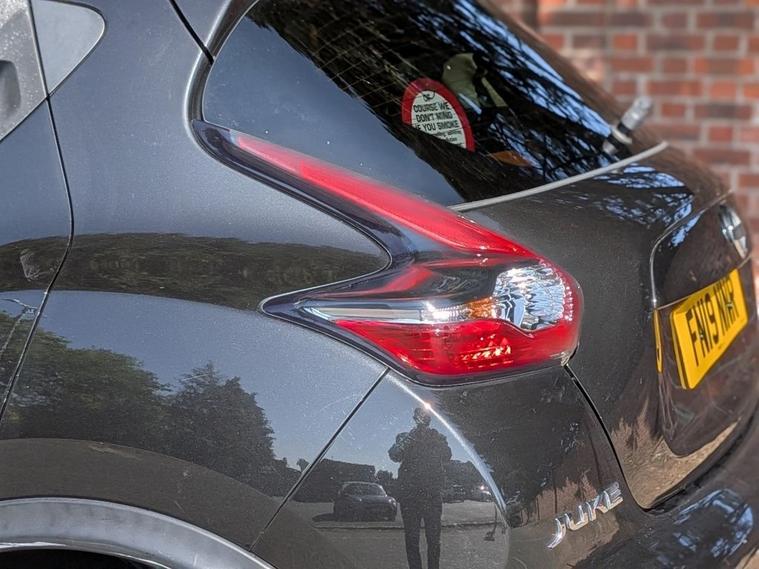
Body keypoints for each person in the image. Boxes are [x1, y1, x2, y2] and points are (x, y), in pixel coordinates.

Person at [389, 406, 452, 569]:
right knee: (412, 540)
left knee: (434, 540)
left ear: (430, 420)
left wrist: (438, 441)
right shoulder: (404, 436)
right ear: (414, 419)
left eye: (426, 416)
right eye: (419, 416)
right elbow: (394, 455)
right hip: (410, 497)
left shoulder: (438, 437)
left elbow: (447, 456)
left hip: (432, 495)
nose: (423, 419)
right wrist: (409, 438)